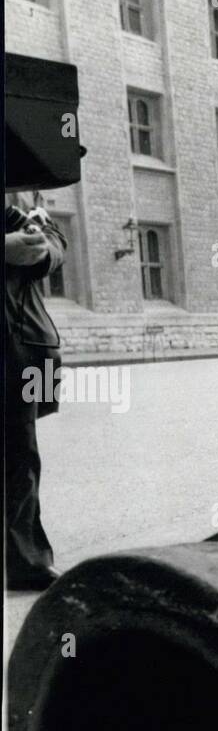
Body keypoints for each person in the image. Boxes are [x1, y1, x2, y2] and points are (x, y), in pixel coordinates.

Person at [4, 201, 66, 590]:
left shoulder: (10, 211)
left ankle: (27, 562)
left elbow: (52, 247)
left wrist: (43, 244)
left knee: (20, 455)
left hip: (19, 352)